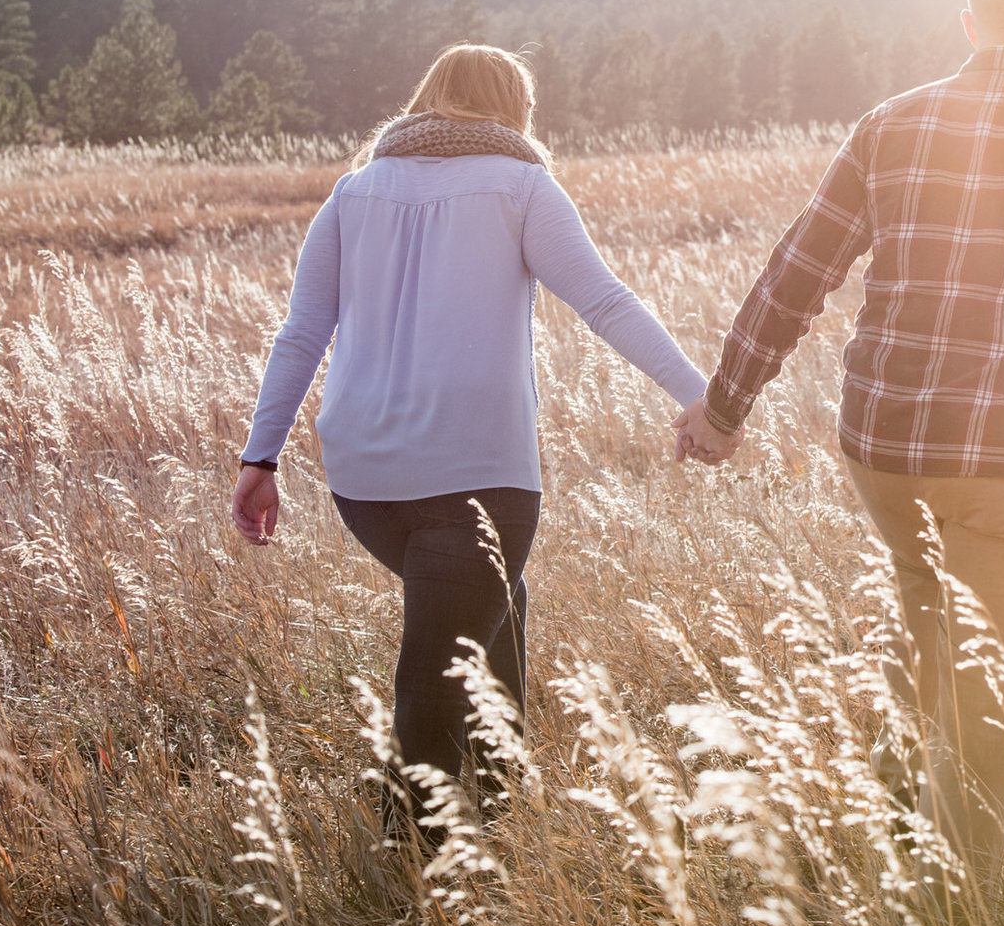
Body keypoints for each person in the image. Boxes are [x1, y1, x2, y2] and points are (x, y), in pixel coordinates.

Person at [674, 0, 1004, 880]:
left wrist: (724, 407)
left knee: (931, 625)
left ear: (968, 23)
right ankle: (956, 909)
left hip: (886, 450)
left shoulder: (890, 125)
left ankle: (905, 827)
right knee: (986, 688)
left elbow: (795, 276)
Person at [228, 44, 707, 824]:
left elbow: (301, 331)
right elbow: (606, 302)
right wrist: (699, 397)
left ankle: (498, 786)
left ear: (426, 99)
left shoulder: (353, 192)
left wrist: (261, 455)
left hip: (364, 479)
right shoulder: (522, 185)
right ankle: (412, 855)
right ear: (515, 110)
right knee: (439, 671)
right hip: (478, 476)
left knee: (491, 601)